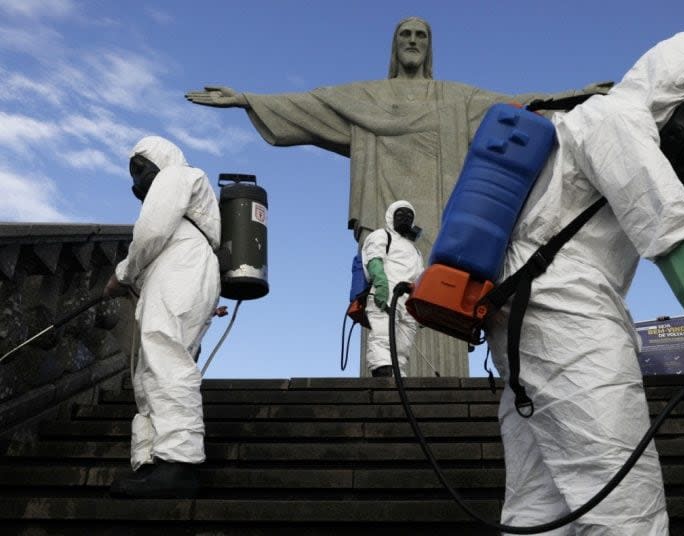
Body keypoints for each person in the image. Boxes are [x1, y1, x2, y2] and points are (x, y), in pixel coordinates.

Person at [484, 33, 684, 534]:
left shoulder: (585, 122)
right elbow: (677, 238)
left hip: (530, 321)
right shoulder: (617, 119)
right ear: (675, 89)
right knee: (628, 509)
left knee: (541, 509)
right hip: (567, 316)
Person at [185, 16, 610, 376]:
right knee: (383, 298)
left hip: (443, 218)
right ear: (394, 46)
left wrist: (576, 97)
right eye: (404, 35)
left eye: (420, 35)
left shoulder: (454, 98)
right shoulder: (368, 96)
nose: (412, 42)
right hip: (383, 217)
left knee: (440, 286)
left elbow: (516, 106)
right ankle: (386, 378)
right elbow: (311, 105)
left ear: (430, 48)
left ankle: (441, 378)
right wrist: (247, 99)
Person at [104, 135, 221, 499]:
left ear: (159, 160)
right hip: (176, 268)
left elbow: (152, 230)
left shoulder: (177, 175)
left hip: (181, 266)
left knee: (165, 354)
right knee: (151, 366)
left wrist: (123, 273)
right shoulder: (183, 188)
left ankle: (179, 462)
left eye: (139, 169)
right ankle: (152, 460)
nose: (135, 180)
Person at [362, 200, 424, 377]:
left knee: (403, 343)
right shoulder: (381, 235)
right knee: (383, 333)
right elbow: (374, 259)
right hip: (387, 293)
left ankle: (397, 370)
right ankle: (381, 367)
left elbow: (419, 277)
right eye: (400, 214)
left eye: (409, 216)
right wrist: (380, 283)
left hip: (408, 302)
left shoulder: (415, 251)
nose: (405, 218)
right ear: (391, 217)